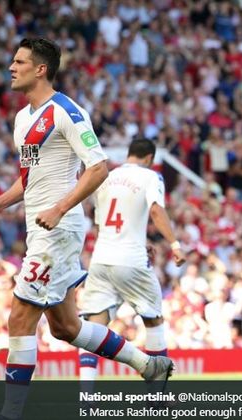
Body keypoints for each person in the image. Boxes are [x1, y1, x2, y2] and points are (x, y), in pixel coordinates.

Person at [0, 38, 173, 420]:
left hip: (58, 231)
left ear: (41, 69)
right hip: (41, 228)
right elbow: (28, 178)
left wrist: (60, 207)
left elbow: (97, 167)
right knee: (66, 327)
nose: (11, 67)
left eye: (19, 62)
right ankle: (149, 365)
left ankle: (9, 414)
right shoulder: (22, 119)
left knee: (19, 316)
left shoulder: (67, 112)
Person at [77, 138, 185, 389]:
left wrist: (138, 239)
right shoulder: (150, 177)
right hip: (132, 260)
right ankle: (156, 395)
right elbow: (156, 211)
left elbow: (103, 223)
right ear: (149, 158)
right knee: (153, 320)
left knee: (94, 326)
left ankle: (86, 396)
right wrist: (175, 245)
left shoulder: (105, 177)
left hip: (101, 258)